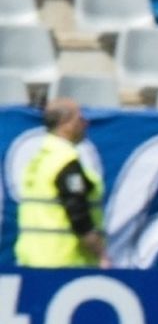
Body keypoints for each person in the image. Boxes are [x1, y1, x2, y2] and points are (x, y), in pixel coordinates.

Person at [15, 98, 107, 269]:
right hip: (64, 262)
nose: (85, 123)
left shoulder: (38, 160)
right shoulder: (64, 162)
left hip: (31, 260)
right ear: (65, 123)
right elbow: (78, 215)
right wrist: (101, 254)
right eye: (80, 118)